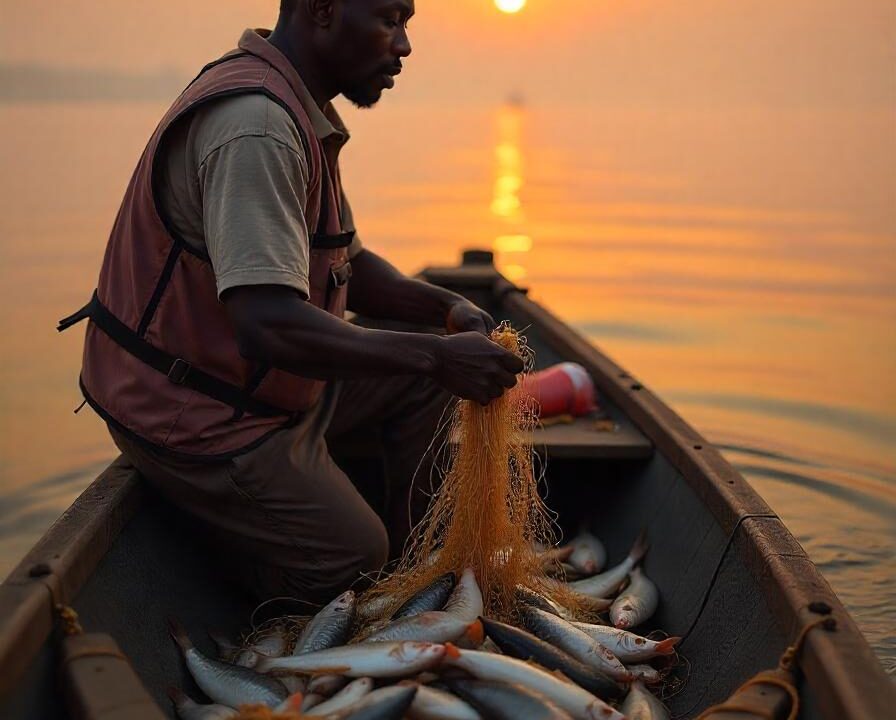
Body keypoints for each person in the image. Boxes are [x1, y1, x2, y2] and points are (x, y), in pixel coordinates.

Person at [58, 0, 523, 604]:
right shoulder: (257, 124)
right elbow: (265, 325)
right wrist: (436, 356)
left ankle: (418, 580)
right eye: (389, 20)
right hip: (197, 411)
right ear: (322, 9)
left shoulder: (301, 109)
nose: (404, 47)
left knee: (423, 376)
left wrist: (444, 310)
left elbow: (349, 264)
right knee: (356, 553)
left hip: (267, 388)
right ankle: (259, 589)